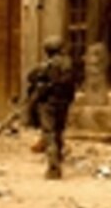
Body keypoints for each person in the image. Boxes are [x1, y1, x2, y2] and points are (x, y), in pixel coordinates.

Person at [26, 36, 76, 179]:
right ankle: (58, 162)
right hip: (63, 103)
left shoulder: (45, 66)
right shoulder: (68, 65)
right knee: (59, 132)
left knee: (49, 134)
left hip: (47, 103)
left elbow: (31, 77)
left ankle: (53, 169)